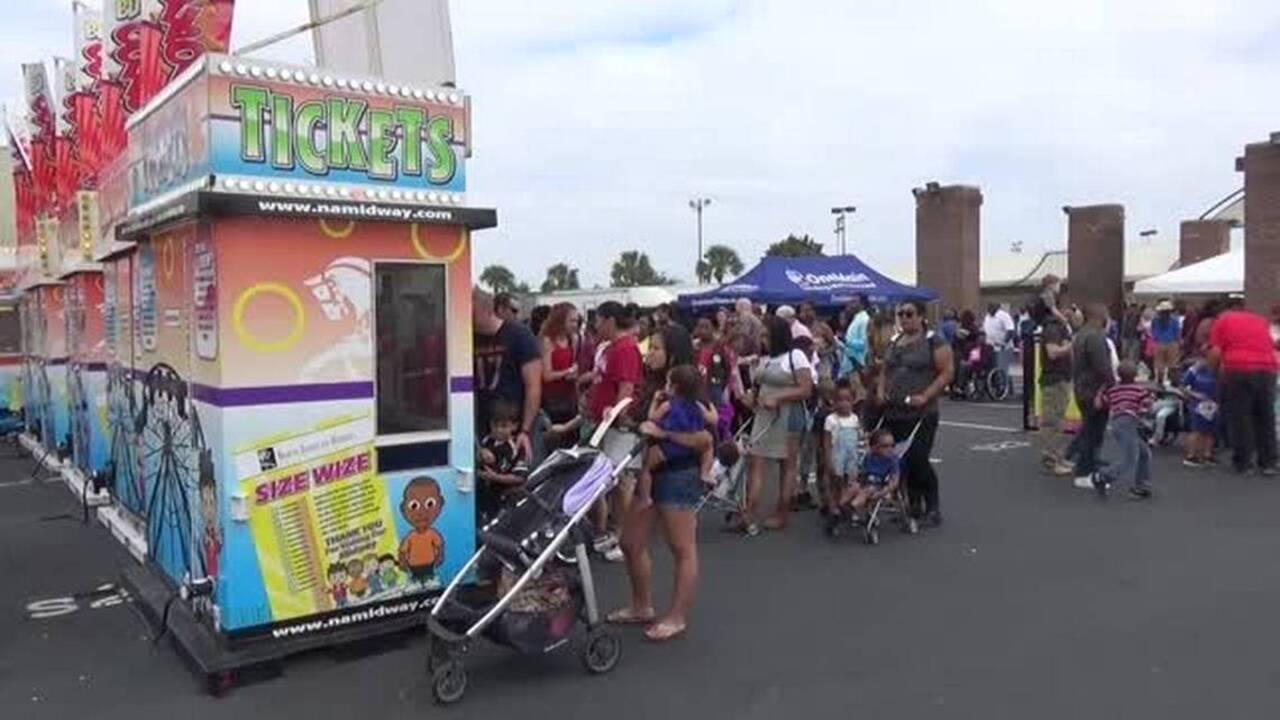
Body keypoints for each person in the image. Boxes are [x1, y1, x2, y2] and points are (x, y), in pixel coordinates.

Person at [611, 326, 714, 643]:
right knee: (630, 542)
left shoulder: (690, 391)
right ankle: (642, 605)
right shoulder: (655, 388)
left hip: (676, 475)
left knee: (682, 548)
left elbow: (706, 437)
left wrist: (665, 436)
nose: (649, 352)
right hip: (649, 474)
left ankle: (677, 616)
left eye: (656, 347)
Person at [878, 300, 953, 525]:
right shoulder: (894, 341)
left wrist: (926, 395)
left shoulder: (933, 341)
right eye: (901, 314)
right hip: (894, 411)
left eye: (909, 313)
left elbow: (947, 372)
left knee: (918, 457)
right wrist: (881, 390)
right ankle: (913, 504)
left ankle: (932, 506)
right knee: (901, 460)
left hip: (922, 412)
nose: (904, 318)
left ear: (921, 316)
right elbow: (884, 370)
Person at [739, 315, 814, 533]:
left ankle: (782, 513)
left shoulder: (796, 356)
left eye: (766, 335)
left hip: (789, 415)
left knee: (787, 466)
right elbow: (759, 385)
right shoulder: (765, 358)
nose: (763, 339)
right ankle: (748, 512)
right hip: (764, 414)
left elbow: (805, 388)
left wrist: (778, 398)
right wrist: (753, 398)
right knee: (756, 461)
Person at [586, 301, 645, 561]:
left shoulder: (626, 349)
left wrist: (620, 416)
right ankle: (613, 533)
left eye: (598, 320)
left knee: (622, 484)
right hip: (604, 425)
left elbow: (626, 386)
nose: (595, 326)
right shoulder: (613, 348)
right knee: (610, 482)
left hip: (617, 428)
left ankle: (622, 537)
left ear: (609, 320)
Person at [1208, 299, 1278, 475]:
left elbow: (1215, 352)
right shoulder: (1260, 321)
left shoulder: (1222, 320)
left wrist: (1213, 373)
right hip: (1267, 368)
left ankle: (1244, 462)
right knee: (1265, 416)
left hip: (1238, 369)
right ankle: (1268, 462)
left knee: (1241, 416)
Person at [474, 289, 543, 462]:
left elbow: (533, 386)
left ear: (487, 309)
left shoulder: (519, 335)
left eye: (472, 314)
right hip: (484, 422)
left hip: (513, 422)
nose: (469, 320)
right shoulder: (468, 338)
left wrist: (525, 430)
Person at [1091, 361, 1154, 499]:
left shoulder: (1114, 390)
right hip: (1129, 422)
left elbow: (1099, 404)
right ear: (1136, 375)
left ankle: (1142, 486)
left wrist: (1101, 390)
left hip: (1117, 422)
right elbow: (1147, 407)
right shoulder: (1139, 390)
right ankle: (1102, 476)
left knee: (1144, 453)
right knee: (1130, 459)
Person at [1071, 304, 1114, 488]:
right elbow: (1102, 367)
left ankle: (1089, 467)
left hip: (1082, 388)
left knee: (1090, 431)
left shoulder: (1080, 335)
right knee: (1093, 433)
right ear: (1100, 317)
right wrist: (1113, 384)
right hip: (1095, 391)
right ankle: (1084, 473)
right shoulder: (1096, 337)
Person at [476, 400, 530, 522]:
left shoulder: (516, 448)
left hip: (503, 498)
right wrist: (480, 455)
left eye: (504, 426)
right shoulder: (486, 441)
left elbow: (520, 477)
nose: (498, 430)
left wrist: (495, 477)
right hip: (483, 495)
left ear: (514, 426)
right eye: (495, 425)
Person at [835, 429, 900, 527]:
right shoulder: (869, 457)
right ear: (875, 447)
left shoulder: (893, 461)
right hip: (865, 482)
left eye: (892, 445)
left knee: (867, 490)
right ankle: (841, 507)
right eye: (885, 446)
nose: (890, 449)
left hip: (879, 486)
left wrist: (884, 491)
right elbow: (862, 472)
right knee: (853, 487)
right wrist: (854, 480)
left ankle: (852, 507)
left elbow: (894, 481)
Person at [1037, 316, 1074, 476]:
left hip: (1061, 379)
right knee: (1052, 421)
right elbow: (1052, 353)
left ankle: (1058, 457)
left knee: (1059, 420)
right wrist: (1070, 346)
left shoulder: (1061, 329)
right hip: (1054, 381)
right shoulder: (1052, 329)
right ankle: (1051, 460)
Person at [540, 303, 580, 450]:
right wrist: (567, 372)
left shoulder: (573, 339)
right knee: (555, 439)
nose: (575, 324)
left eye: (576, 320)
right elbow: (547, 375)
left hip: (570, 397)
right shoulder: (548, 341)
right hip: (553, 400)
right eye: (572, 320)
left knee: (572, 439)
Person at [693, 317, 740, 441]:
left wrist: (720, 386)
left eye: (706, 327)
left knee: (714, 420)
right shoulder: (695, 346)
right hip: (696, 389)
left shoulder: (719, 346)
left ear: (712, 329)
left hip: (714, 388)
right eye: (700, 327)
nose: (703, 331)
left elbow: (727, 368)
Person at [821, 382, 861, 523]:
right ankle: (833, 506)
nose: (843, 404)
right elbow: (826, 441)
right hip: (836, 454)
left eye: (847, 400)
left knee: (849, 481)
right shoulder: (831, 419)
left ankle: (845, 504)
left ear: (853, 401)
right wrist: (827, 459)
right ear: (834, 401)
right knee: (834, 480)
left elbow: (857, 437)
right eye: (840, 400)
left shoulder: (855, 418)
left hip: (851, 455)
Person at [1181, 357, 1218, 467]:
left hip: (1212, 403)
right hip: (1197, 404)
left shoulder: (1214, 370)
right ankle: (1191, 456)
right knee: (1197, 430)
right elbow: (1183, 387)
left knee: (1210, 430)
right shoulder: (1193, 371)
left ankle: (1207, 455)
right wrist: (1194, 394)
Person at [1150, 299, 1183, 386]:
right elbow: (1177, 334)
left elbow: (1153, 332)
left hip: (1159, 343)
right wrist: (1180, 345)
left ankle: (1160, 385)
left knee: (1160, 367)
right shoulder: (1175, 320)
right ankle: (1174, 385)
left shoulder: (1155, 320)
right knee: (1173, 366)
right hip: (1172, 343)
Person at [840, 295, 871, 379]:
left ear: (862, 304)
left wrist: (846, 341)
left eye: (854, 302)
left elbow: (864, 344)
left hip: (857, 366)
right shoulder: (856, 319)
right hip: (849, 366)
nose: (850, 304)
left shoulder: (864, 320)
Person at [982, 303, 1017, 375]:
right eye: (988, 309)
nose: (989, 311)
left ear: (996, 308)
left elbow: (1010, 330)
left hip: (1003, 348)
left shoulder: (1004, 316)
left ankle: (1005, 384)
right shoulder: (987, 317)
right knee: (992, 369)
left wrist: (1004, 342)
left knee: (1003, 369)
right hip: (991, 347)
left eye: (991, 309)